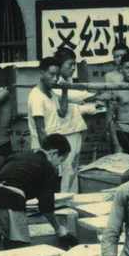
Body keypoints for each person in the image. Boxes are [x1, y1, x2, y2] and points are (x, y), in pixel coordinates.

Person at [0, 133, 73, 251]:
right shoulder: (47, 167)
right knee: (20, 253)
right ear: (54, 153)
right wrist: (58, 229)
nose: (59, 165)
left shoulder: (16, 156)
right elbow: (46, 206)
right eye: (61, 160)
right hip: (10, 201)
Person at [54, 47, 101, 192]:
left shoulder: (68, 82)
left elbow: (74, 103)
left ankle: (71, 196)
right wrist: (93, 97)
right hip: (63, 132)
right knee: (66, 168)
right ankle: (64, 196)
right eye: (70, 64)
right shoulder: (56, 84)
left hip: (74, 129)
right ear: (59, 66)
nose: (73, 68)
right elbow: (74, 97)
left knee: (73, 167)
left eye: (74, 64)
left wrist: (89, 105)